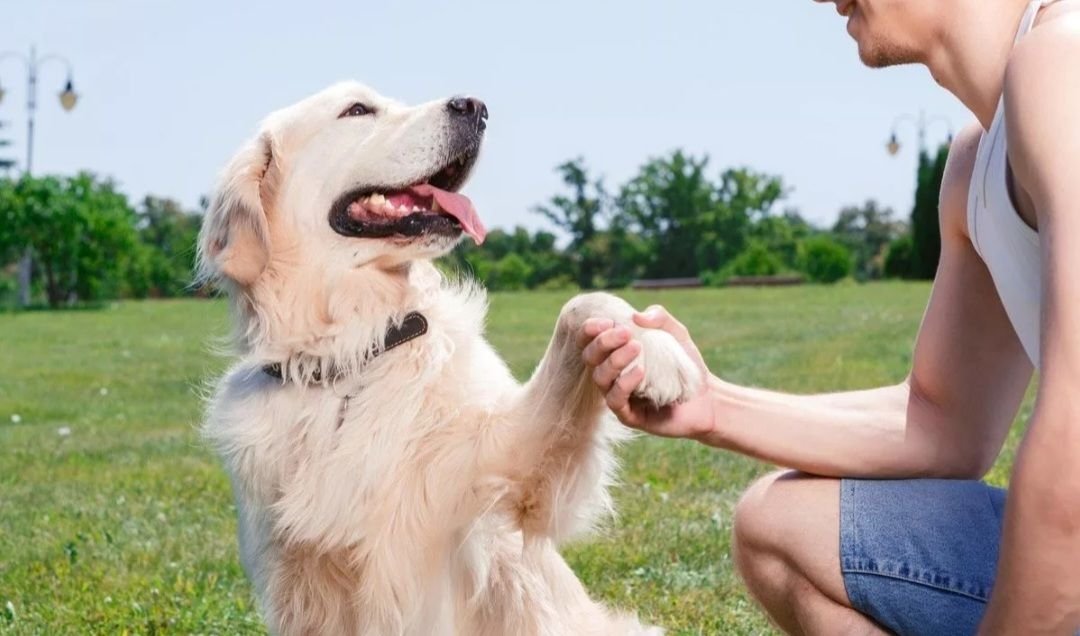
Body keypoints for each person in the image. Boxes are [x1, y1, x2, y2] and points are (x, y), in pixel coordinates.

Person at [578, 1, 1080, 633]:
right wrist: (714, 406)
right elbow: (944, 423)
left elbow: (1073, 451)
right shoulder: (975, 163)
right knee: (779, 526)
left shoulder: (1063, 61)